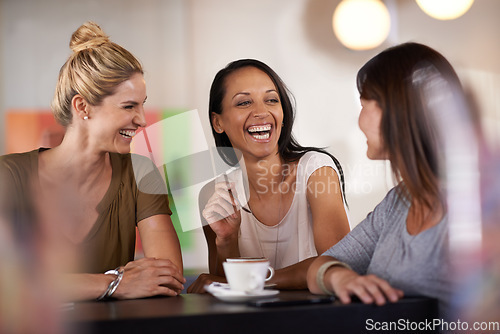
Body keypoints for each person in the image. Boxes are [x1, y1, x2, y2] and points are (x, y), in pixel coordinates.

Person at [0, 21, 185, 301]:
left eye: (142, 103)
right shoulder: (9, 175)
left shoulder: (140, 173)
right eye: (129, 106)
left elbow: (168, 278)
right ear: (82, 107)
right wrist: (116, 283)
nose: (142, 119)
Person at [307, 42, 464, 312]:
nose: (359, 120)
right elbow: (320, 267)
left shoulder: (476, 205)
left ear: (397, 109)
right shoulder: (397, 203)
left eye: (364, 103)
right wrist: (340, 277)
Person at [188, 59, 350, 293]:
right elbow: (222, 288)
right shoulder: (214, 194)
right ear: (218, 122)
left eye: (271, 100)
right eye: (244, 102)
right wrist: (227, 240)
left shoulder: (316, 171)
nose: (262, 112)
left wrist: (253, 280)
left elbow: (337, 264)